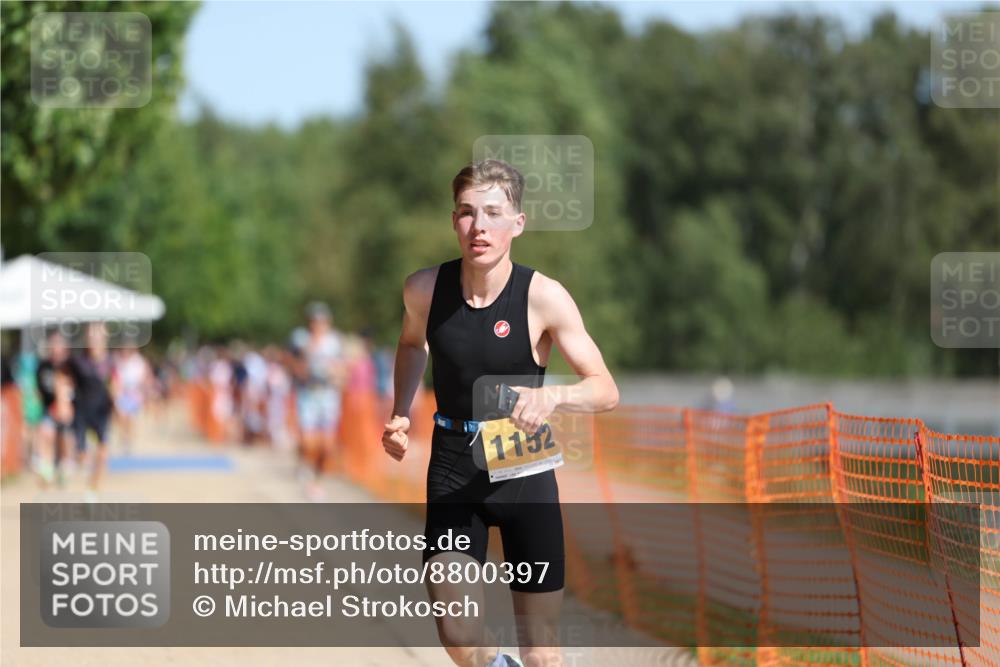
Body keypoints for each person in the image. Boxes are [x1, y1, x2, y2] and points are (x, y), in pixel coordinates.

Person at [381, 159, 619, 667]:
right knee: (457, 633)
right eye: (468, 213)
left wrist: (553, 397)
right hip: (452, 467)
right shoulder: (424, 289)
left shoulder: (543, 297)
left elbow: (605, 389)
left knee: (542, 655)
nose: (480, 226)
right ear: (454, 222)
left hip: (523, 471)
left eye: (493, 213)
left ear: (519, 222)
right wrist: (401, 410)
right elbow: (409, 344)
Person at [288, 302, 346, 502]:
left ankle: (317, 482)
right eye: (314, 321)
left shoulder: (334, 342)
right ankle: (303, 462)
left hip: (328, 395)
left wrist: (335, 374)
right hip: (308, 394)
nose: (317, 325)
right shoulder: (301, 339)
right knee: (307, 441)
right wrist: (305, 360)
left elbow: (343, 369)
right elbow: (294, 364)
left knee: (327, 446)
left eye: (321, 321)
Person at [68, 322, 114, 500]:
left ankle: (92, 490)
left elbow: (115, 383)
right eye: (91, 334)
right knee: (81, 456)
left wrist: (117, 398)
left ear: (105, 337)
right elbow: (63, 377)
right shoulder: (77, 361)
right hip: (81, 411)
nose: (95, 338)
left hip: (102, 411)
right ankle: (74, 463)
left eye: (99, 334)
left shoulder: (111, 361)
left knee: (103, 453)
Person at [34, 331, 74, 486]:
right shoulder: (43, 366)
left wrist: (68, 407)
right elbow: (40, 389)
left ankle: (64, 467)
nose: (55, 348)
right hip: (49, 409)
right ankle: (47, 467)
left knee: (65, 438)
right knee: (46, 433)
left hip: (68, 410)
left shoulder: (71, 366)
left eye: (59, 344)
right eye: (53, 344)